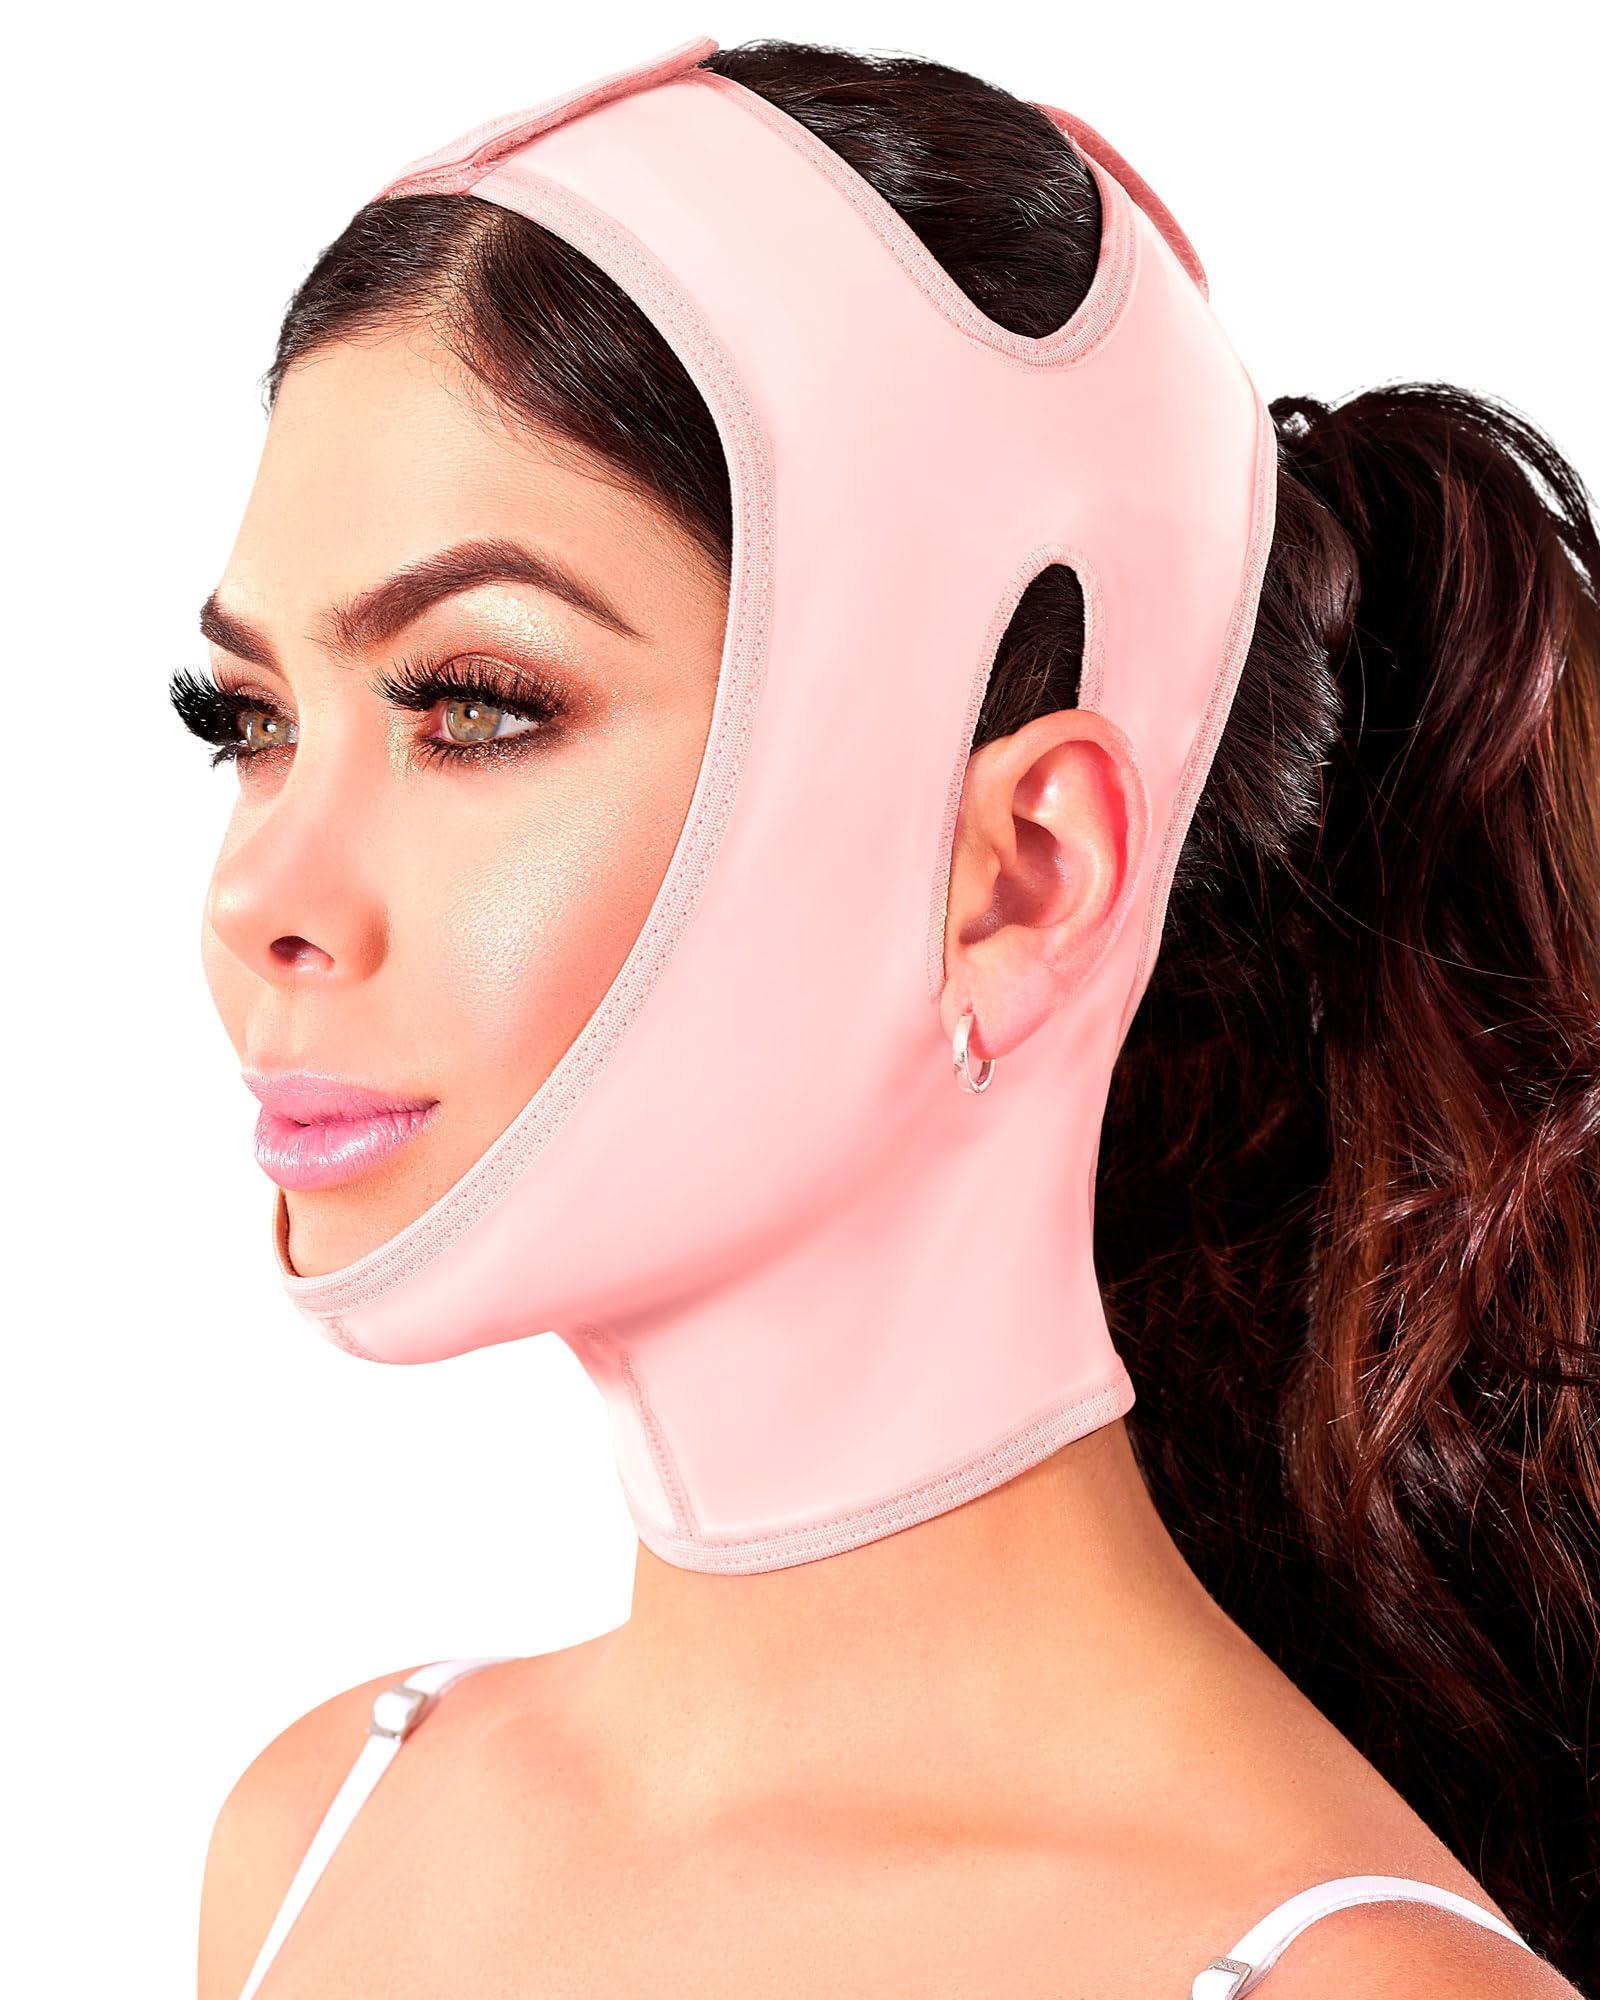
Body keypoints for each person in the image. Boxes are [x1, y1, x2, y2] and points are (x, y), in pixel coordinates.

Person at [175, 36, 1598, 2000]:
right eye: (249, 721)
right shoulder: (318, 1828)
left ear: (1021, 872)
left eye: (476, 705)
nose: (257, 898)